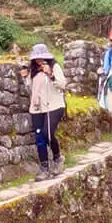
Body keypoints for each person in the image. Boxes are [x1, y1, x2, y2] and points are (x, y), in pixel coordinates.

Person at [27, 44, 67, 181]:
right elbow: (30, 89)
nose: (39, 60)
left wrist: (51, 74)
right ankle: (44, 168)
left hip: (54, 105)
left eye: (41, 57)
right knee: (39, 138)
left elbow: (62, 85)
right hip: (37, 108)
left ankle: (58, 157)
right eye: (36, 58)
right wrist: (24, 77)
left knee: (47, 133)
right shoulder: (32, 71)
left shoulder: (54, 67)